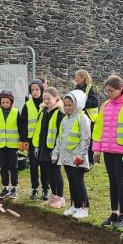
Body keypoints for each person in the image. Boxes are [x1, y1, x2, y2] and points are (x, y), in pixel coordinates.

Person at [92, 74, 123, 230]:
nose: (108, 94)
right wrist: (97, 149)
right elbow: (98, 128)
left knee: (122, 182)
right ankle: (114, 213)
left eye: (111, 91)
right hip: (108, 150)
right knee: (112, 182)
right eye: (106, 91)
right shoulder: (105, 105)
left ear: (120, 89)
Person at [52, 90, 90, 219]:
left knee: (79, 182)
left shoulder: (82, 118)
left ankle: (84, 208)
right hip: (66, 157)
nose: (68, 107)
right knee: (71, 181)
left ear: (77, 104)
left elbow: (85, 139)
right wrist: (55, 154)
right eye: (66, 105)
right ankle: (75, 205)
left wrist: (81, 155)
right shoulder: (64, 120)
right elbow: (60, 138)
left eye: (70, 105)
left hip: (77, 158)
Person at [34, 87, 66, 209]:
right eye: (44, 98)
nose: (46, 101)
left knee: (56, 172)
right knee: (49, 173)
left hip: (54, 148)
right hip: (44, 147)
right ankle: (54, 195)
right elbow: (40, 129)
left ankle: (60, 197)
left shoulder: (60, 113)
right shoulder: (43, 111)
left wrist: (57, 150)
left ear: (56, 98)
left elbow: (60, 133)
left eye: (49, 98)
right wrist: (37, 145)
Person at [19, 79, 49, 200]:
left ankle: (45, 189)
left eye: (37, 89)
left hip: (44, 141)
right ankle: (34, 188)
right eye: (32, 90)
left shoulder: (47, 104)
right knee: (33, 165)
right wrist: (24, 139)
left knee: (44, 166)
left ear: (42, 90)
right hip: (31, 141)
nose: (35, 92)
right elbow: (23, 124)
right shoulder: (27, 105)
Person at [0, 90, 20, 200]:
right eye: (2, 102)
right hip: (0, 145)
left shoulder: (16, 112)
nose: (5, 104)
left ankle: (14, 187)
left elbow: (21, 127)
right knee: (3, 167)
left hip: (12, 145)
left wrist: (22, 141)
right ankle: (5, 187)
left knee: (13, 167)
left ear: (11, 102)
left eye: (7, 102)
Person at [74, 69, 100, 167]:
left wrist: (81, 103)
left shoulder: (91, 88)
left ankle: (90, 161)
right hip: (78, 117)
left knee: (88, 140)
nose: (75, 79)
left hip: (89, 119)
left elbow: (95, 102)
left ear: (83, 77)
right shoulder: (75, 88)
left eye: (77, 77)